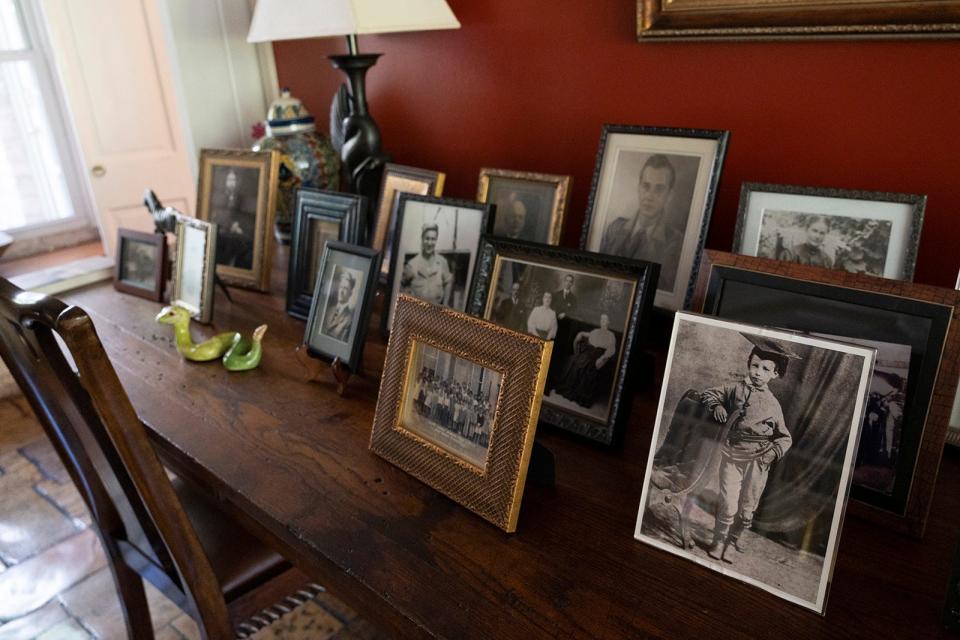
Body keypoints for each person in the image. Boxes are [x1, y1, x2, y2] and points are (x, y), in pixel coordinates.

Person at [698, 337, 797, 561]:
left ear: (775, 374)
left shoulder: (773, 405)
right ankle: (719, 540)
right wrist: (717, 406)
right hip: (732, 454)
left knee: (746, 508)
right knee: (728, 502)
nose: (757, 372)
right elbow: (710, 393)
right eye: (754, 365)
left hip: (758, 461)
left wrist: (770, 455)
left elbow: (785, 438)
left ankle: (734, 541)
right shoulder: (735, 389)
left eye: (765, 369)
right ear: (748, 365)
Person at [598, 154, 683, 290]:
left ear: (669, 196)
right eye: (646, 186)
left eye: (659, 189)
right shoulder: (615, 228)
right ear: (638, 187)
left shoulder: (675, 242)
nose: (649, 196)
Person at [551, 313, 617, 408]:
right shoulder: (595, 331)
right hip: (588, 351)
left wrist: (603, 358)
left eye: (605, 320)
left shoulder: (611, 335)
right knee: (572, 360)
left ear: (608, 322)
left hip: (597, 355)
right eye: (601, 319)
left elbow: (611, 349)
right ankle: (568, 387)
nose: (603, 322)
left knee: (586, 366)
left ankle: (580, 394)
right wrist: (580, 334)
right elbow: (585, 334)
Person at [210, 167, 257, 269]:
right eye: (229, 180)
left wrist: (239, 227)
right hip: (222, 230)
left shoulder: (239, 197)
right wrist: (232, 225)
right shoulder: (218, 196)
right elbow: (217, 215)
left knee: (248, 244)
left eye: (234, 180)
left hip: (236, 232)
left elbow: (245, 215)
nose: (232, 183)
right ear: (226, 181)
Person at [400, 223, 453, 305]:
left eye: (433, 239)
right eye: (427, 238)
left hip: (436, 310)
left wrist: (445, 305)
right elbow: (401, 285)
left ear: (436, 240)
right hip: (416, 311)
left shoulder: (442, 262)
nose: (429, 243)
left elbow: (448, 282)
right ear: (422, 239)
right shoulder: (412, 264)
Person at [321, 269, 357, 342]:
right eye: (341, 287)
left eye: (345, 288)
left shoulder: (350, 319)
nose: (341, 291)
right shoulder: (328, 310)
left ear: (351, 293)